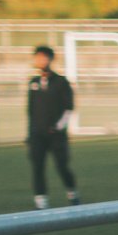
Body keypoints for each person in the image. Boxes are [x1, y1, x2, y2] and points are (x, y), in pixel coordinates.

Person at [26, 45, 80, 208]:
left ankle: (72, 192)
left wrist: (58, 127)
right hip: (37, 135)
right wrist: (30, 134)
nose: (40, 60)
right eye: (37, 57)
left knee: (62, 166)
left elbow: (69, 108)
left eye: (43, 57)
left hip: (56, 135)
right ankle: (41, 200)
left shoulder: (61, 82)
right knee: (38, 167)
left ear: (50, 59)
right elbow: (30, 110)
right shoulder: (33, 83)